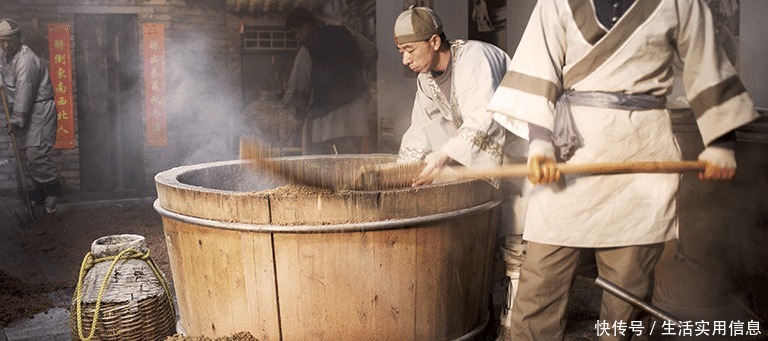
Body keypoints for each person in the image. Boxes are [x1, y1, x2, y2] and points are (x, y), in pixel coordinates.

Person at [486, 1, 760, 339]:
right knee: (540, 285)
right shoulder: (557, 2)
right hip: (568, 155)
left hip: (642, 153)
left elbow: (707, 63)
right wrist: (540, 141)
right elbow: (538, 65)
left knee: (627, 297)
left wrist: (721, 141)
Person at [393, 6, 528, 334]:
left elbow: (486, 119)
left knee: (519, 233)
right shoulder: (426, 81)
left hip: (521, 149)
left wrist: (443, 156)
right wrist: (399, 174)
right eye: (401, 52)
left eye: (410, 50)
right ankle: (492, 310)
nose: (405, 60)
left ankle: (517, 322)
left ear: (435, 41)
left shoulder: (474, 59)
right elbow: (420, 128)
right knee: (493, 230)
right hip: (482, 154)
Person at [282, 7, 377, 155]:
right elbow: (371, 52)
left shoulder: (307, 47)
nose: (297, 37)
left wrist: (298, 116)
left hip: (329, 119)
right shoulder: (346, 32)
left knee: (329, 164)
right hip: (356, 113)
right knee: (353, 160)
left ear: (306, 26)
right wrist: (355, 68)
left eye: (296, 32)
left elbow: (299, 86)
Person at [0, 18, 60, 214]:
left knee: (36, 154)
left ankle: (52, 199)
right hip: (24, 110)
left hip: (38, 110)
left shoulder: (26, 60)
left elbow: (25, 92)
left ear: (19, 38)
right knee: (27, 156)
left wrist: (16, 120)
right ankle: (37, 202)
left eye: (10, 40)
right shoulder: (5, 54)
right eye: (2, 41)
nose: (6, 45)